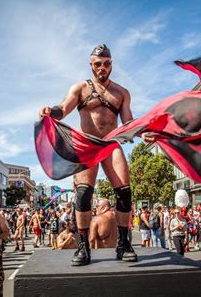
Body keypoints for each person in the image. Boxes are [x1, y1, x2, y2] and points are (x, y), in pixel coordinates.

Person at [39, 44, 138, 266]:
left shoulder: (121, 93)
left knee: (125, 193)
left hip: (111, 144)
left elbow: (128, 123)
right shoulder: (81, 88)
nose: (102, 68)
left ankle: (123, 244)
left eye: (106, 63)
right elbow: (63, 108)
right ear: (91, 65)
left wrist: (144, 130)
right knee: (82, 195)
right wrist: (50, 111)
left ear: (111, 64)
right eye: (98, 64)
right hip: (87, 145)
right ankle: (83, 247)